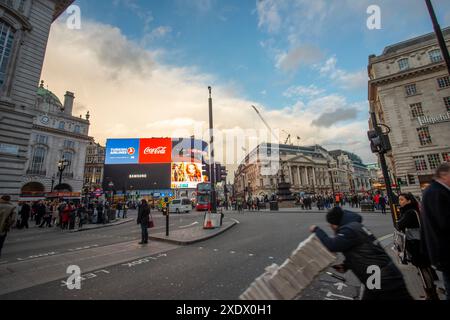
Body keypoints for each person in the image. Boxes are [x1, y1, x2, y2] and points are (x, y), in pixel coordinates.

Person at [310, 207, 413, 300]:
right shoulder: (354, 226)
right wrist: (346, 266)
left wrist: (316, 230)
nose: (330, 226)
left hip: (383, 279)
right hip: (377, 277)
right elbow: (361, 251)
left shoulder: (349, 230)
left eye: (331, 224)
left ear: (335, 222)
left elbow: (332, 245)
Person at [397, 193, 439, 300]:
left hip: (416, 244)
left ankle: (431, 294)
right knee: (426, 268)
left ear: (409, 201)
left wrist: (400, 217)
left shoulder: (409, 212)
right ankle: (431, 292)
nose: (400, 202)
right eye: (399, 200)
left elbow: (399, 225)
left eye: (402, 200)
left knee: (422, 269)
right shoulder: (413, 211)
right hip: (420, 243)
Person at [421, 163, 450, 300]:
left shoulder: (434, 191)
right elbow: (444, 222)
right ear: (444, 175)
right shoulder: (436, 192)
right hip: (445, 251)